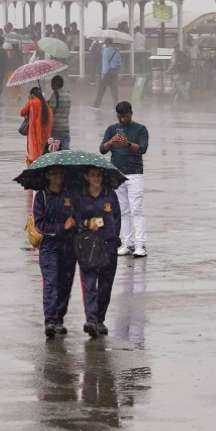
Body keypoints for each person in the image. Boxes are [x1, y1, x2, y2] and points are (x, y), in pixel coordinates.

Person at [74, 166, 121, 337]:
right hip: (88, 246)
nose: (96, 178)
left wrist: (113, 236)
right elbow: (76, 219)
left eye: (99, 175)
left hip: (108, 245)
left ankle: (100, 319)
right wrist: (87, 224)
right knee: (90, 284)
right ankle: (91, 320)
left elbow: (117, 217)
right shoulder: (80, 197)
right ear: (86, 177)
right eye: (93, 175)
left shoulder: (110, 195)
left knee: (105, 286)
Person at [32, 167, 78, 337]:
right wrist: (61, 227)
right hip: (49, 247)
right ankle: (50, 320)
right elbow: (39, 224)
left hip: (69, 246)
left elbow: (78, 216)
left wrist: (76, 220)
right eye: (54, 174)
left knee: (65, 283)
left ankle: (59, 318)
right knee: (51, 282)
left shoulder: (70, 195)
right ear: (48, 176)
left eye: (60, 173)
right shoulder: (41, 196)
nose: (57, 176)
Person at [101, 101, 148, 258]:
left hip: (135, 173)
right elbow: (102, 149)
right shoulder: (112, 129)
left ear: (131, 113)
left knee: (136, 209)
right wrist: (111, 142)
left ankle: (140, 244)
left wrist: (127, 144)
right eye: (120, 116)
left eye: (125, 116)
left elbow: (143, 149)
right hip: (117, 174)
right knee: (122, 210)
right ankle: (127, 243)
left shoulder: (140, 129)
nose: (122, 119)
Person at [19, 86, 53, 168]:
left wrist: (29, 100)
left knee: (33, 155)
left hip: (34, 134)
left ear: (32, 94)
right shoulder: (47, 105)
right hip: (45, 135)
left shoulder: (32, 102)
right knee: (43, 155)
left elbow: (22, 112)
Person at [92, 39, 122, 107]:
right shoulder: (116, 51)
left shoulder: (105, 51)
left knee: (101, 89)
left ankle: (96, 104)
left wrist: (103, 74)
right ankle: (116, 104)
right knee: (114, 89)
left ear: (106, 43)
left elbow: (105, 64)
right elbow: (119, 63)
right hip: (115, 72)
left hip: (107, 72)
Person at [47, 75, 73, 151]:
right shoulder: (68, 95)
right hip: (66, 128)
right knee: (65, 153)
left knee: (55, 154)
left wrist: (47, 104)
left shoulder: (55, 95)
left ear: (55, 84)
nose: (51, 86)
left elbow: (51, 111)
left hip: (56, 129)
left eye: (52, 84)